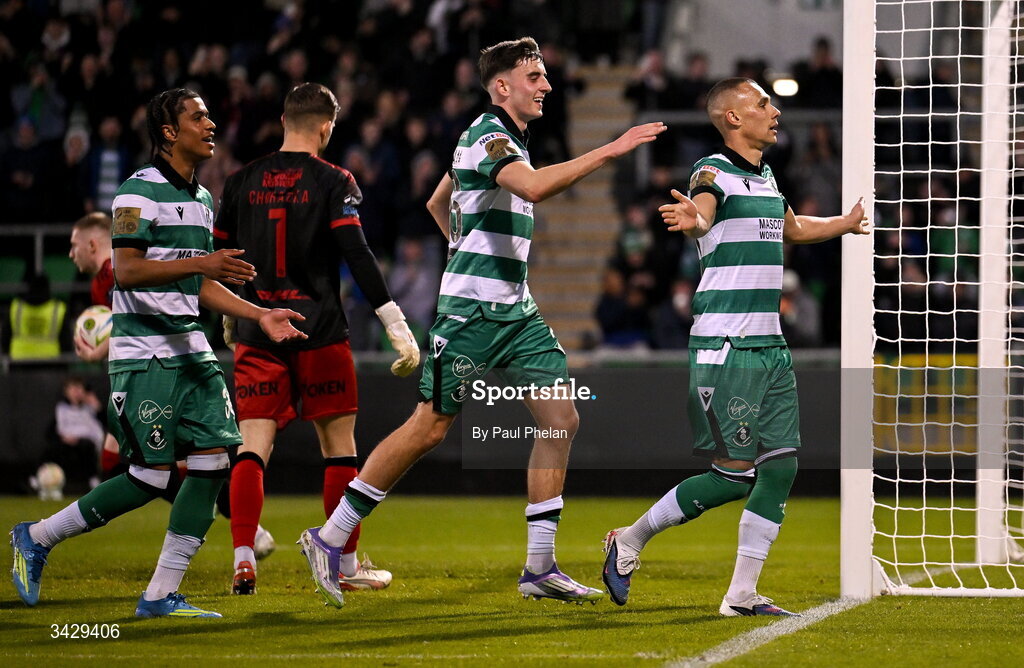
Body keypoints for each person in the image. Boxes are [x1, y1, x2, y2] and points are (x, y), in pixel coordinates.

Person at [298, 37, 666, 608]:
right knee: (430, 428)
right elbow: (536, 187)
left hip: (515, 309)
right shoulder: (490, 136)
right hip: (471, 313)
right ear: (502, 86)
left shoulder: (498, 139)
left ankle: (539, 567)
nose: (546, 85)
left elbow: (437, 203)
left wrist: (464, 250)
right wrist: (613, 148)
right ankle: (331, 537)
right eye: (534, 76)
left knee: (559, 418)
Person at [10, 88, 307, 619]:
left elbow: (198, 283)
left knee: (215, 461)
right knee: (149, 476)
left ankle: (159, 594)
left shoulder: (202, 198)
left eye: (210, 116)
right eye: (199, 117)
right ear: (169, 132)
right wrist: (201, 266)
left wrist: (257, 315)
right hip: (144, 353)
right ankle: (36, 537)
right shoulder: (136, 193)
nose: (210, 124)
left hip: (191, 349)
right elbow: (127, 270)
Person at [601, 77, 869, 616]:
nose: (773, 111)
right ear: (732, 118)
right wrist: (694, 219)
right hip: (727, 345)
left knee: (781, 467)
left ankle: (741, 594)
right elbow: (702, 208)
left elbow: (790, 228)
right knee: (735, 473)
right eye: (762, 103)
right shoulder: (712, 171)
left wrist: (843, 223)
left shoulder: (768, 177)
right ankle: (629, 539)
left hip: (770, 345)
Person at [214, 82, 419, 596]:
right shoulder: (334, 180)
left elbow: (221, 258)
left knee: (252, 448)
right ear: (326, 126)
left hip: (258, 328)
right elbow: (357, 253)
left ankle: (243, 559)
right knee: (339, 451)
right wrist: (394, 320)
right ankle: (345, 565)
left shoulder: (240, 181)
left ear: (284, 120)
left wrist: (234, 313)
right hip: (319, 328)